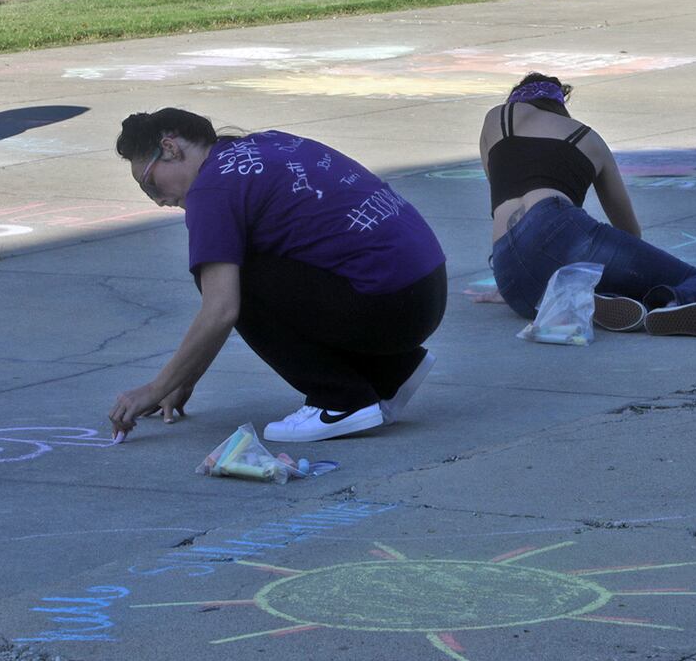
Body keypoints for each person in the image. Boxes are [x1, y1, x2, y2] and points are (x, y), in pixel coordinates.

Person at [108, 109, 447, 443]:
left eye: (151, 184)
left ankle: (342, 401)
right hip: (425, 290)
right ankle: (392, 372)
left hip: (387, 305)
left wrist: (155, 388)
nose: (160, 201)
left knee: (233, 277)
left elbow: (221, 310)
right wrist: (183, 377)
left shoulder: (210, 191)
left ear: (170, 148)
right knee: (244, 264)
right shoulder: (264, 144)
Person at [481, 74, 696, 337]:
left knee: (574, 273)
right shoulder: (588, 138)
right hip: (556, 226)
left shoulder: (497, 118)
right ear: (560, 105)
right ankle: (668, 304)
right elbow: (629, 231)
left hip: (511, 279)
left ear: (517, 97)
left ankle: (594, 300)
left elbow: (499, 191)